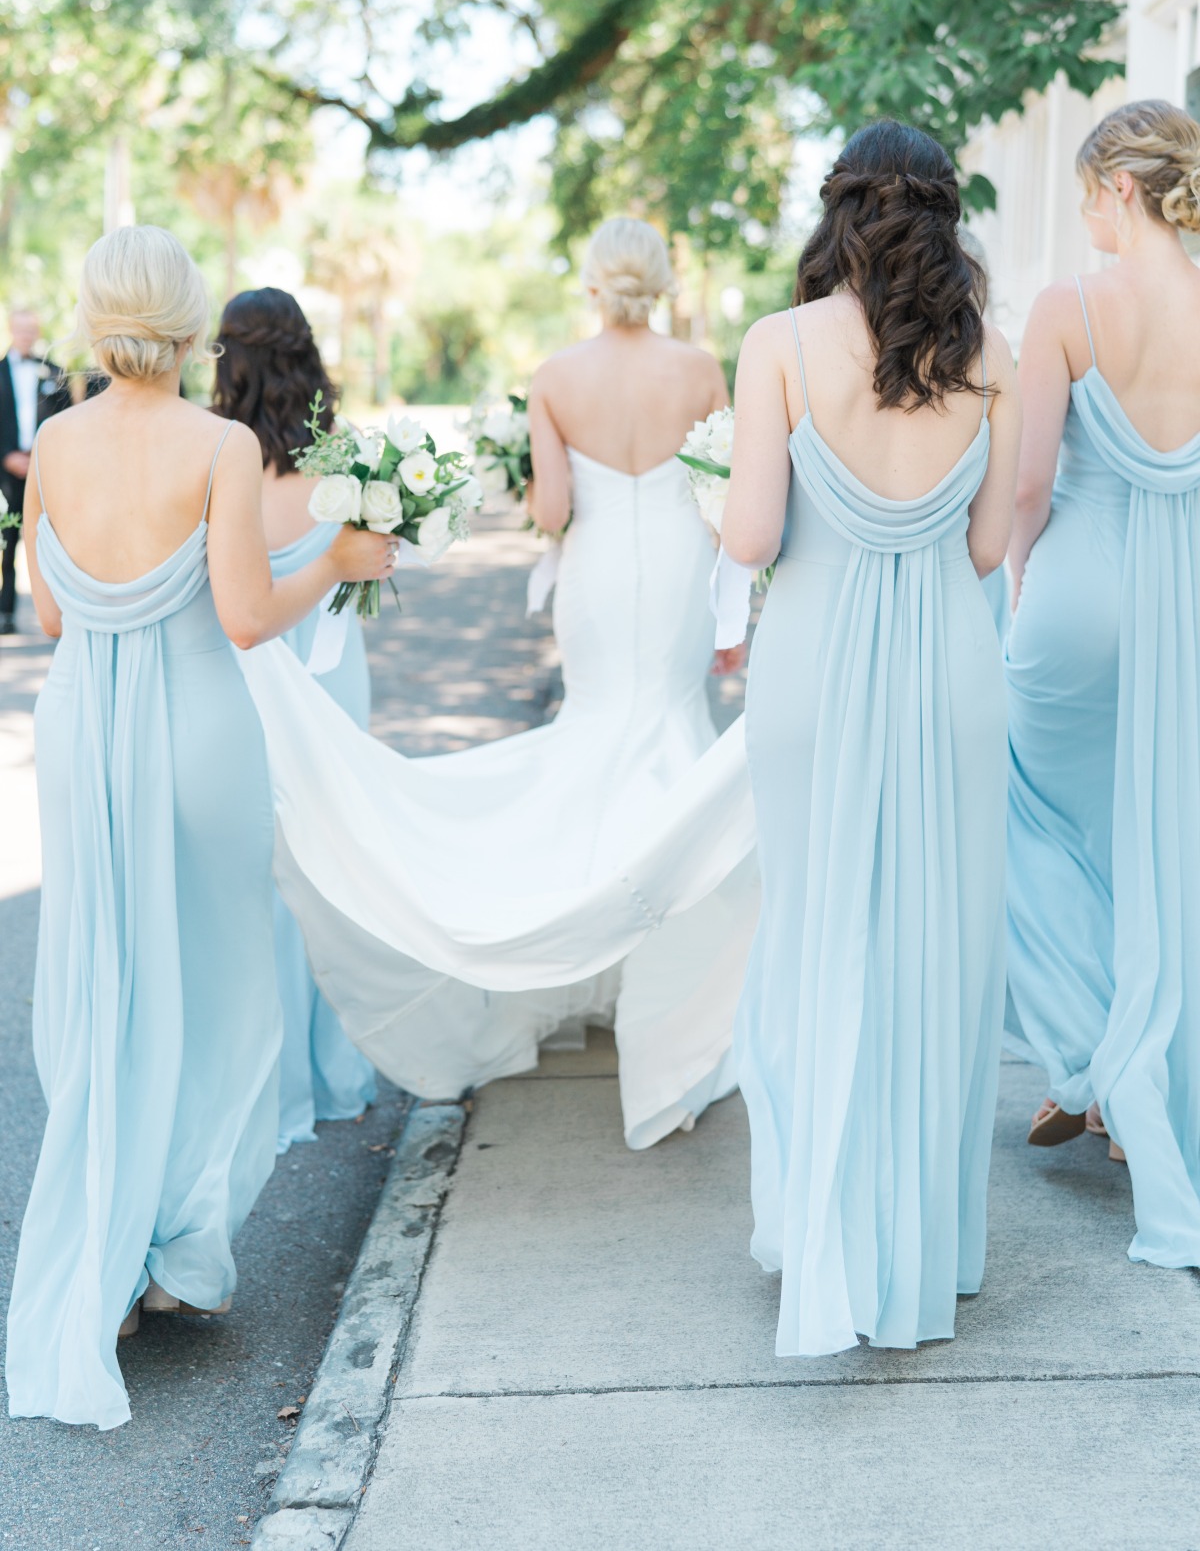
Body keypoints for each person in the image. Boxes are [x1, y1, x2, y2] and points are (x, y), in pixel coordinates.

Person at [235, 217, 760, 1150]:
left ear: (595, 285)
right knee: (675, 737)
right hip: (681, 568)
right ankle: (660, 972)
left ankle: (592, 939)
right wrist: (729, 616)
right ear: (661, 280)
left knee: (599, 736)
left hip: (597, 575)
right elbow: (719, 492)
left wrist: (550, 477)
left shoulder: (557, 376)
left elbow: (552, 512)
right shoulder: (702, 367)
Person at [5, 226, 395, 1430]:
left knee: (104, 981)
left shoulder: (56, 444)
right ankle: (177, 1251)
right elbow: (243, 616)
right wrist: (332, 554)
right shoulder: (219, 445)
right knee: (223, 997)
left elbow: (51, 612)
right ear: (185, 322)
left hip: (81, 736)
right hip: (196, 739)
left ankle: (111, 1270)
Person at [722, 122, 1019, 1356]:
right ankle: (926, 1248)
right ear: (946, 213)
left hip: (814, 669)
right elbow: (990, 550)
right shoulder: (991, 354)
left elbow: (748, 539)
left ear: (837, 208)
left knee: (814, 930)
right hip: (953, 669)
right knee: (941, 951)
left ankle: (818, 1228)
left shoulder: (779, 345)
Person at [1006, 99, 1200, 1270]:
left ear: (1118, 190)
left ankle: (1094, 1058)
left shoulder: (1069, 309)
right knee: (1160, 841)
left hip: (1080, 596)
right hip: (1185, 609)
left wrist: (1022, 584)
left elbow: (1028, 488)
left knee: (1022, 806)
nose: (1084, 222)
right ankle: (1138, 1073)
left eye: (1086, 198)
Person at [211, 287, 377, 1153]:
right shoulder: (345, 458)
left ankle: (272, 1086)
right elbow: (374, 570)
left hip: (247, 678)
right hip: (332, 670)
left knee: (259, 881)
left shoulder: (215, 459)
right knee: (330, 870)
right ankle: (335, 1076)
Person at [0, 307, 72, 632]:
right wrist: (5, 456)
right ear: (12, 330)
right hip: (6, 471)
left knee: (52, 541)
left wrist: (45, 458)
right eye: (21, 329)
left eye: (31, 330)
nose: (26, 335)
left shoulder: (55, 373)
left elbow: (67, 420)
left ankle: (59, 615)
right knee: (7, 540)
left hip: (47, 469)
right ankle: (6, 614)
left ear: (37, 332)